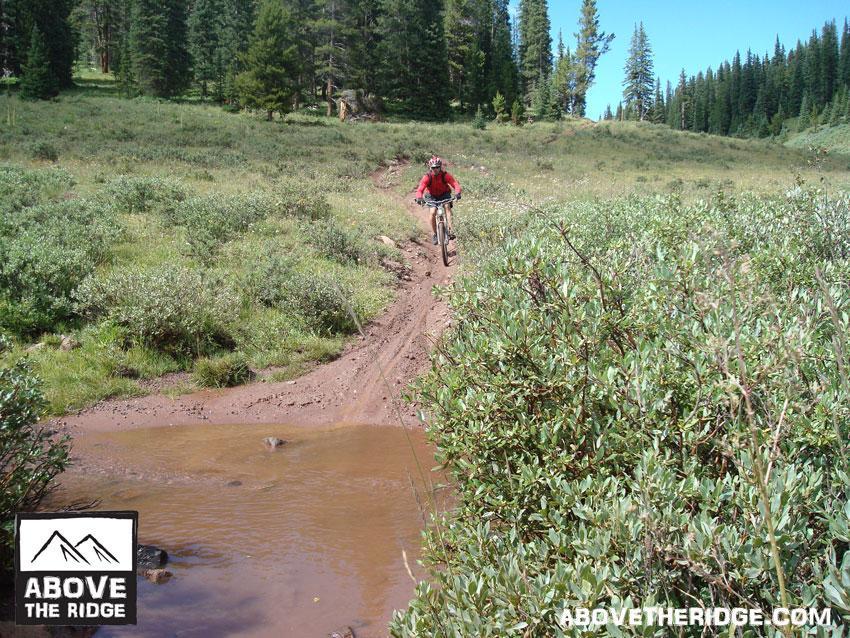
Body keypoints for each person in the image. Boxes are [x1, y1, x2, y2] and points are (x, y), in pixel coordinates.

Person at [414, 156, 462, 245]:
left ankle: (451, 231)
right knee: (432, 212)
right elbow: (420, 189)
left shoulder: (445, 175)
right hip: (431, 196)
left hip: (444, 194)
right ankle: (436, 234)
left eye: (437, 167)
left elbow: (455, 184)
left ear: (440, 167)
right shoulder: (427, 177)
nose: (435, 169)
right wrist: (419, 197)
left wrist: (458, 193)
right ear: (430, 168)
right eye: (433, 168)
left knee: (447, 207)